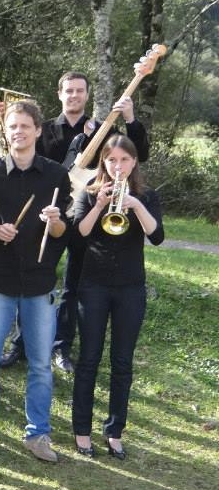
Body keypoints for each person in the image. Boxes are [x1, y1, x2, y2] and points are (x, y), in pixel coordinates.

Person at [1, 71, 150, 371]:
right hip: (48, 215)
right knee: (33, 278)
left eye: (80, 91)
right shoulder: (43, 130)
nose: (74, 96)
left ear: (87, 95)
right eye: (69, 91)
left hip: (85, 217)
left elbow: (139, 153)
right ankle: (21, 343)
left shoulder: (102, 132)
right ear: (59, 94)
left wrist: (131, 119)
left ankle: (61, 346)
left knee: (74, 284)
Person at [0, 100, 70, 463]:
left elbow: (63, 232)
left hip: (41, 283)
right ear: (5, 131)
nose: (18, 132)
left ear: (38, 130)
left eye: (25, 126)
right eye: (12, 126)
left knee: (41, 364)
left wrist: (54, 221)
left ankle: (38, 435)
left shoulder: (57, 176)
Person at [71, 136, 163, 460]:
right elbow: (79, 234)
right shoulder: (90, 192)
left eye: (124, 160)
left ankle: (114, 431)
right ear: (104, 162)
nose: (118, 166)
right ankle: (81, 431)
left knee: (122, 363)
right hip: (93, 285)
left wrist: (135, 206)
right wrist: (99, 205)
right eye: (111, 160)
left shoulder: (146, 196)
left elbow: (157, 237)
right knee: (89, 360)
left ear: (134, 162)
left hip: (130, 288)